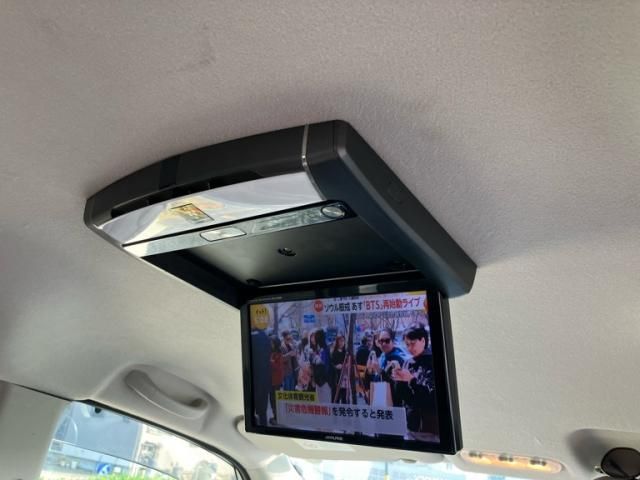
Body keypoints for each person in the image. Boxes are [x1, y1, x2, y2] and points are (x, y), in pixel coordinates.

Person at [392, 324, 439, 442]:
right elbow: (405, 397)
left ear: (423, 340)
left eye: (412, 343)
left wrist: (411, 380)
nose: (409, 348)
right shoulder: (408, 363)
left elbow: (431, 397)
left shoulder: (433, 362)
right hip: (412, 424)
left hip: (431, 425)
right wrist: (399, 381)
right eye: (407, 344)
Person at [371, 327, 409, 406]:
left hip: (395, 404)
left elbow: (396, 386)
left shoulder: (397, 358)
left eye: (387, 341)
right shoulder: (383, 356)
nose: (384, 344)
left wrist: (379, 371)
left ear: (393, 341)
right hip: (383, 400)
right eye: (381, 341)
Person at [251, 326, 271, 426]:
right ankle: (263, 426)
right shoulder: (266, 338)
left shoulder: (250, 338)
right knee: (262, 409)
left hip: (252, 378)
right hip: (264, 378)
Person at [309, 329, 331, 403]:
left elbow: (324, 365)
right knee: (319, 401)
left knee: (325, 401)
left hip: (324, 381)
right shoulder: (317, 349)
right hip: (319, 380)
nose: (313, 339)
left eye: (315, 337)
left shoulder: (324, 349)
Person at [268, 336, 285, 425]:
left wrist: (271, 362)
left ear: (276, 344)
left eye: (272, 343)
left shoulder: (279, 354)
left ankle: (276, 418)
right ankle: (275, 416)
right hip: (271, 380)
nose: (271, 344)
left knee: (274, 400)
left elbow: (279, 368)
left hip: (276, 381)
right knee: (272, 399)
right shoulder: (272, 352)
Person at [330, 334, 348, 403]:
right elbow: (331, 364)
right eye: (340, 341)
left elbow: (349, 363)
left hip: (344, 376)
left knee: (344, 397)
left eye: (343, 341)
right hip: (336, 376)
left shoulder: (345, 353)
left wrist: (345, 365)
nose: (341, 343)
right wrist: (336, 366)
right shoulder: (333, 352)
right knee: (335, 396)